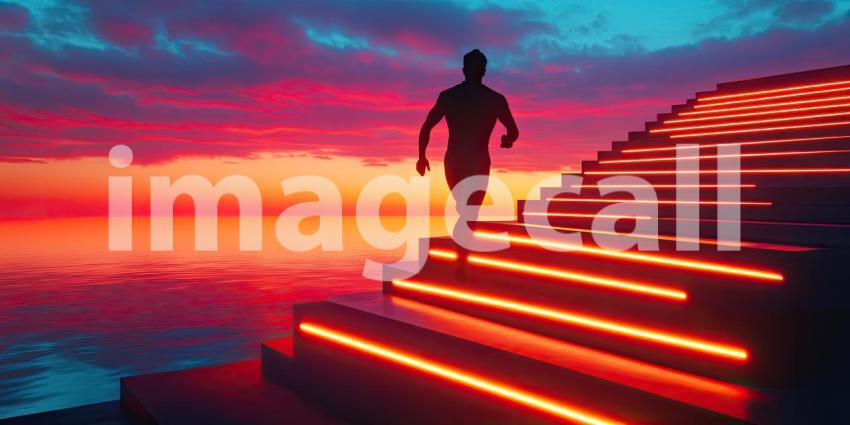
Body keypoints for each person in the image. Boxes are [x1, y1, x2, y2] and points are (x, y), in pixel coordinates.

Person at [416, 48, 519, 281]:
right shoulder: (493, 99)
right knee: (467, 210)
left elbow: (426, 126)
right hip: (465, 160)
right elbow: (513, 131)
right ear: (483, 71)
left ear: (465, 71)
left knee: (467, 210)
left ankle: (462, 260)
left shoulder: (456, 96)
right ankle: (462, 260)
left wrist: (422, 156)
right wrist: (508, 140)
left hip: (462, 160)